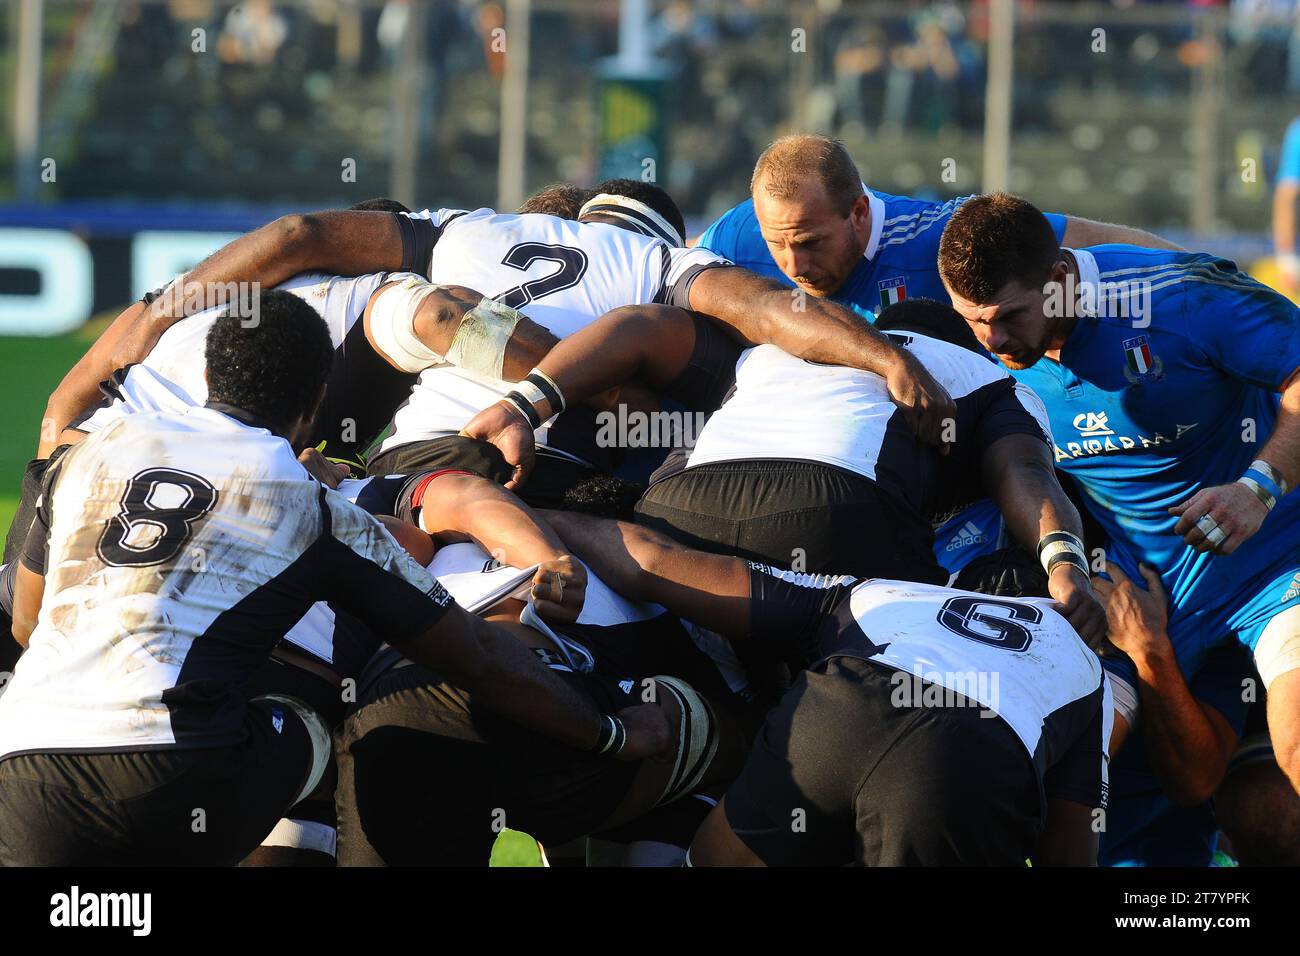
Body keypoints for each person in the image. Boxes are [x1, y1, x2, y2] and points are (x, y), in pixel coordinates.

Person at [0, 291, 666, 866]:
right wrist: (608, 730)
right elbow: (477, 657)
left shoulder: (88, 457)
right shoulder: (309, 504)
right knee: (319, 709)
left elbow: (27, 622)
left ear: (207, 374)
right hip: (173, 773)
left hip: (22, 769)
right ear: (316, 404)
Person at [119, 180, 957, 504]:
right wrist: (886, 358)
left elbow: (298, 228)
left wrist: (157, 311)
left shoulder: (468, 228)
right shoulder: (664, 264)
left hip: (412, 462)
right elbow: (776, 310)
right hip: (549, 475)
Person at [461, 298, 1107, 649]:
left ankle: (528, 525)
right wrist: (1064, 563)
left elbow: (640, 325)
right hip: (832, 509)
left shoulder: (778, 348)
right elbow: (1026, 475)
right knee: (895, 647)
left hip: (681, 506)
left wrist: (529, 402)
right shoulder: (989, 378)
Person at [936, 192, 1300, 797]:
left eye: (1009, 316)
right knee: (1037, 775)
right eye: (973, 319)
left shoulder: (1179, 298)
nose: (992, 339)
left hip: (1273, 559)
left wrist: (1256, 489)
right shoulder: (974, 342)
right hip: (1134, 584)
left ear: (1058, 277)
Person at [695, 134, 1183, 574]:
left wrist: (1214, 282)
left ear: (860, 212)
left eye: (810, 242)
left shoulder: (940, 235)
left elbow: (1122, 248)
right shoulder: (738, 233)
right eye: (775, 243)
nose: (793, 263)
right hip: (813, 467)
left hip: (963, 472)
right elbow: (672, 279)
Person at [539, 511, 1111, 867]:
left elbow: (656, 561)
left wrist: (520, 512)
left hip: (840, 711)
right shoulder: (1087, 666)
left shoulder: (884, 593)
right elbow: (1068, 847)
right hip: (967, 762)